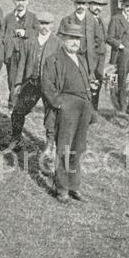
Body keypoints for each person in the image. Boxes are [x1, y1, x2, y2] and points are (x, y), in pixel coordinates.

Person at [41, 22, 93, 203]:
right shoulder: (53, 59)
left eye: (77, 38)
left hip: (83, 108)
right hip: (66, 108)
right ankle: (62, 188)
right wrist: (59, 104)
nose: (74, 42)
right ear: (63, 38)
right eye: (71, 38)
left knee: (78, 148)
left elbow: (87, 82)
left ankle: (74, 186)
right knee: (64, 147)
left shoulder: (82, 60)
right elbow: (47, 86)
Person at [9, 12, 61, 159]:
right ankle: (16, 139)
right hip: (31, 83)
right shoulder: (29, 42)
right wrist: (18, 82)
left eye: (48, 24)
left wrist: (58, 87)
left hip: (49, 85)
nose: (45, 27)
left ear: (52, 25)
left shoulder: (57, 43)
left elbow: (60, 67)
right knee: (18, 111)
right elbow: (22, 64)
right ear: (38, 24)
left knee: (51, 115)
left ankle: (50, 144)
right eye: (42, 23)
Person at [58, 0, 100, 103]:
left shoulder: (92, 21)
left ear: (86, 5)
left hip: (87, 57)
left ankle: (89, 106)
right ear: (74, 4)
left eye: (83, 3)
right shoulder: (67, 20)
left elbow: (98, 39)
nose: (80, 6)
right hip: (71, 56)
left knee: (88, 81)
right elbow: (60, 37)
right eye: (78, 3)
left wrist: (92, 50)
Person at [106, 0, 129, 113]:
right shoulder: (116, 19)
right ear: (122, 6)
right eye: (126, 6)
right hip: (122, 55)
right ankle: (122, 107)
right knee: (122, 81)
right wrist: (119, 45)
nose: (128, 8)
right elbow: (109, 38)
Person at [3, 0, 38, 107]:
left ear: (27, 2)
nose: (20, 3)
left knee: (26, 77)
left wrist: (26, 33)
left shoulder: (33, 17)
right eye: (18, 0)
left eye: (23, 0)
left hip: (27, 53)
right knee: (12, 78)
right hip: (12, 53)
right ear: (14, 1)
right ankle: (12, 102)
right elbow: (3, 34)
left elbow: (38, 32)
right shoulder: (8, 18)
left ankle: (23, 103)